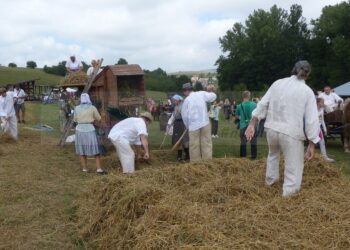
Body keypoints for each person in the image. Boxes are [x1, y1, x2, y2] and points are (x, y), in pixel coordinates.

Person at [245, 60, 320, 197]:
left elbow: (262, 104)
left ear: (293, 70)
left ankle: (271, 183)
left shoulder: (277, 83)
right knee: (293, 164)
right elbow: (312, 119)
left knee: (273, 155)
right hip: (291, 133)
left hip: (272, 129)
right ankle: (289, 195)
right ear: (308, 75)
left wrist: (252, 123)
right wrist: (312, 143)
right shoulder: (307, 91)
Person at [181, 82, 217, 161]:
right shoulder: (201, 93)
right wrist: (210, 90)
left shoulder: (187, 100)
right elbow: (214, 96)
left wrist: (187, 126)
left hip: (193, 126)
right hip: (205, 123)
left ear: (186, 90)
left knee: (194, 145)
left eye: (183, 91)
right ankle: (207, 162)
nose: (184, 93)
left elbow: (184, 115)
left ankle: (196, 164)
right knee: (206, 143)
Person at [73, 93, 105, 174]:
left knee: (82, 150)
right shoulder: (92, 108)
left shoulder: (76, 108)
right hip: (90, 130)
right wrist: (103, 116)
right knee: (95, 150)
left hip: (79, 130)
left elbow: (75, 120)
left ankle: (84, 169)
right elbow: (99, 118)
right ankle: (98, 169)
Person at [236, 91, 257, 159]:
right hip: (252, 125)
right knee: (253, 141)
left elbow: (237, 116)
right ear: (249, 96)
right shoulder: (254, 104)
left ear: (243, 96)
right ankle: (253, 156)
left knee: (243, 141)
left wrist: (242, 118)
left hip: (243, 125)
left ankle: (243, 157)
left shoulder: (239, 106)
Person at [168, 94, 189, 161]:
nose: (173, 102)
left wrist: (179, 112)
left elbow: (185, 114)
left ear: (178, 100)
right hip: (177, 124)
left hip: (182, 124)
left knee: (184, 140)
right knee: (178, 140)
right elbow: (174, 115)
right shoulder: (176, 106)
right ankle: (179, 156)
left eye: (174, 100)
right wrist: (171, 123)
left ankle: (187, 155)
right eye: (173, 100)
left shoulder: (183, 106)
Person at [317, 97, 335, 162]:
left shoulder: (321, 110)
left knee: (322, 142)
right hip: (313, 128)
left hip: (318, 129)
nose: (323, 103)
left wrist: (325, 129)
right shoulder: (312, 109)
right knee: (312, 142)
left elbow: (322, 120)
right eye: (322, 102)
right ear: (318, 102)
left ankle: (325, 157)